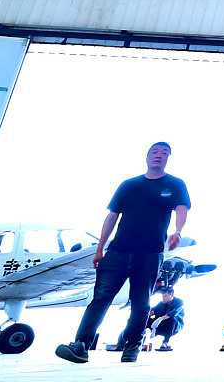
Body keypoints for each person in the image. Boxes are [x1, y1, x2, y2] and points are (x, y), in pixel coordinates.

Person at [54, 142, 191, 365]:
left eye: (164, 153)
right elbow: (111, 217)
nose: (159, 156)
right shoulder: (129, 185)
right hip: (117, 251)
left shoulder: (175, 184)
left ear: (168, 159)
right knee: (100, 299)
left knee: (140, 303)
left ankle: (132, 346)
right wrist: (100, 249)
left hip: (149, 253)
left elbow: (181, 209)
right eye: (155, 152)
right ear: (147, 157)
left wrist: (178, 231)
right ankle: (81, 345)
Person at [146, 285, 184, 351]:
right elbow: (154, 310)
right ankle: (139, 341)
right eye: (162, 297)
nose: (163, 298)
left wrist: (160, 319)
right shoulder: (162, 303)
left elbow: (173, 313)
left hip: (173, 327)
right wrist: (150, 313)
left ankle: (165, 342)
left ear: (171, 295)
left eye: (165, 296)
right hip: (160, 326)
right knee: (145, 320)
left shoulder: (179, 302)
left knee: (172, 320)